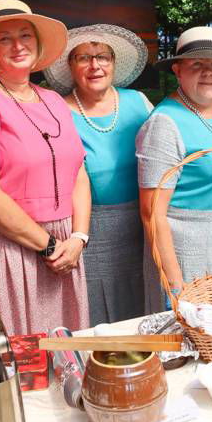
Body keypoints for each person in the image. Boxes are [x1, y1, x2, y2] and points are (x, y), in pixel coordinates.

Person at [0, 0, 91, 334]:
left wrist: (79, 238)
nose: (17, 45)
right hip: (10, 245)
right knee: (24, 353)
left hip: (65, 244)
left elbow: (78, 174)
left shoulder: (53, 99)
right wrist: (49, 245)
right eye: (3, 39)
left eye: (25, 35)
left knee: (68, 349)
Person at [137, 27, 212, 313]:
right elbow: (152, 214)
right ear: (178, 70)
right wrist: (175, 284)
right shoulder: (164, 124)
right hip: (191, 253)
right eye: (197, 64)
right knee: (198, 342)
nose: (208, 72)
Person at [44, 24, 151, 325]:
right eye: (83, 58)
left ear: (114, 63)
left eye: (103, 56)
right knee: (102, 312)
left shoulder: (140, 102)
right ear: (71, 66)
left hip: (144, 221)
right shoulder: (57, 110)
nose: (95, 65)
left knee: (146, 302)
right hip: (91, 226)